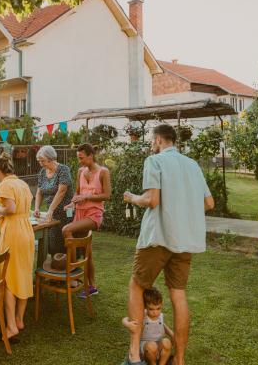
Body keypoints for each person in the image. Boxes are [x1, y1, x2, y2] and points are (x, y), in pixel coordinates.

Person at [121, 124, 214, 365]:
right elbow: (209, 202)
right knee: (178, 295)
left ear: (160, 139)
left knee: (137, 286)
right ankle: (180, 360)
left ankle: (134, 353)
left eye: (153, 140)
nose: (153, 144)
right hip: (184, 240)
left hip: (158, 237)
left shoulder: (155, 161)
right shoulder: (193, 165)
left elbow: (152, 200)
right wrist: (183, 211)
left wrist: (132, 198)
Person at [0, 153, 35, 343]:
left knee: (8, 277)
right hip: (26, 229)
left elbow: (10, 208)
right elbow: (20, 208)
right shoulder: (23, 184)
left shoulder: (5, 184)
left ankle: (10, 327)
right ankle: (19, 320)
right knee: (23, 273)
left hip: (13, 233)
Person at [62, 143, 111, 298]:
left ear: (90, 155)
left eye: (81, 158)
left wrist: (87, 197)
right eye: (78, 158)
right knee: (87, 251)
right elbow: (77, 193)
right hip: (80, 212)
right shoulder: (80, 172)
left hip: (94, 214)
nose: (79, 161)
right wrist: (71, 203)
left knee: (67, 230)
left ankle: (73, 275)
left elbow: (107, 195)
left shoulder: (103, 172)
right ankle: (92, 286)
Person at [34, 145, 74, 255]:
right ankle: (54, 264)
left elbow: (61, 191)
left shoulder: (63, 170)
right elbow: (39, 192)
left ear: (50, 158)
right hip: (51, 213)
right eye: (39, 161)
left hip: (65, 212)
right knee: (52, 241)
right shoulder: (42, 172)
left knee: (63, 241)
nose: (40, 163)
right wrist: (37, 208)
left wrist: (50, 210)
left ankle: (66, 265)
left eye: (42, 161)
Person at [139, 287, 174, 365]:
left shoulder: (160, 315)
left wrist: (171, 333)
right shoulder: (143, 316)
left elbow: (162, 324)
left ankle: (162, 363)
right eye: (151, 309)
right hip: (146, 346)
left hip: (158, 343)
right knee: (151, 346)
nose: (155, 312)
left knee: (167, 342)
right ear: (145, 306)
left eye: (158, 308)